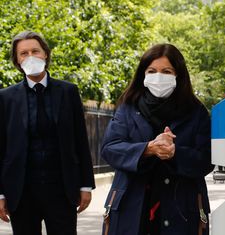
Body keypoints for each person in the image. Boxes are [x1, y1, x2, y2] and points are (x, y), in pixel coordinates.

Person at [101, 43, 213, 235]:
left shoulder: (196, 112)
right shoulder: (128, 107)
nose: (158, 76)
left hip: (182, 211)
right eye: (152, 71)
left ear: (178, 75)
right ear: (143, 75)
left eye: (166, 71)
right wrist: (148, 148)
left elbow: (207, 159)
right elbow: (110, 148)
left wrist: (175, 152)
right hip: (131, 208)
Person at [0, 31, 96, 235]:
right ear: (17, 60)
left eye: (35, 51)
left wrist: (86, 185)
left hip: (61, 189)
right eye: (23, 53)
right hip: (21, 191)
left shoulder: (68, 91)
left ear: (45, 54)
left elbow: (80, 140)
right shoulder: (6, 98)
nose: (30, 56)